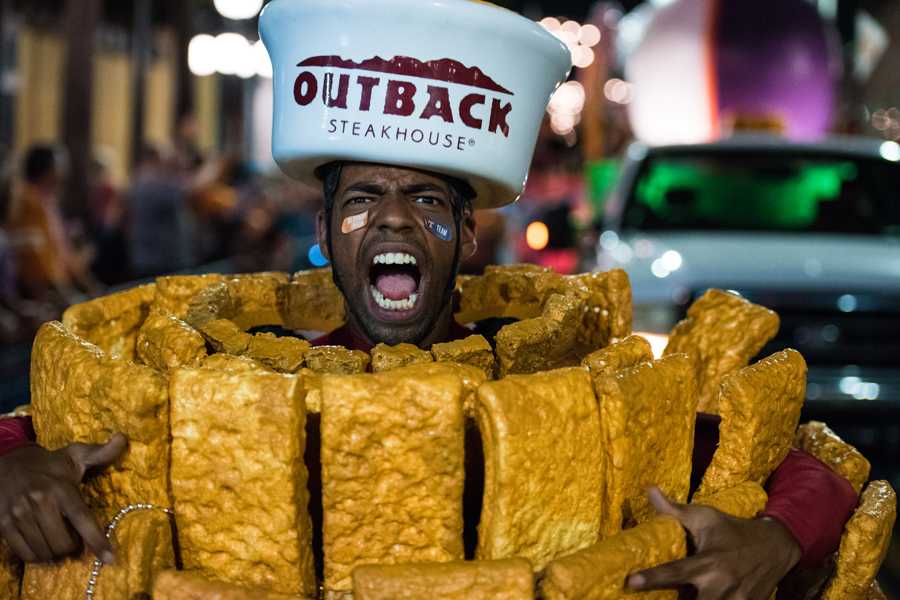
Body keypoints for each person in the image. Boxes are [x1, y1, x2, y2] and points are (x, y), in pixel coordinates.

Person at [0, 1, 858, 597]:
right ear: (331, 232)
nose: (395, 219)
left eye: (429, 201)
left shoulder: (564, 382)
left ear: (467, 236)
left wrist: (779, 536)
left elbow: (800, 458)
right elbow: (51, 433)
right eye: (364, 199)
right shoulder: (224, 382)